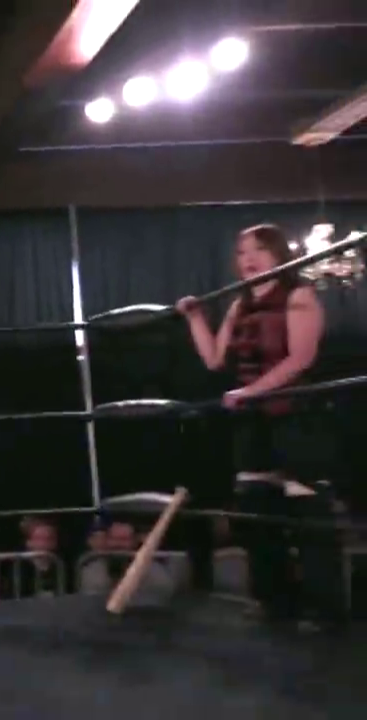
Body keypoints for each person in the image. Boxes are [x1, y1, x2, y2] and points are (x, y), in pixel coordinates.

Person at [176, 223, 345, 631]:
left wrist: (251, 391)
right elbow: (215, 360)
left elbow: (301, 359)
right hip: (253, 419)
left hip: (296, 416)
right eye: (241, 252)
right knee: (258, 509)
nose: (248, 259)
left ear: (279, 253)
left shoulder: (299, 294)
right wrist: (195, 318)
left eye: (259, 250)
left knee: (308, 512)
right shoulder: (239, 304)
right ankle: (274, 600)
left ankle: (325, 609)